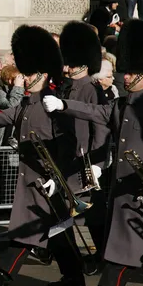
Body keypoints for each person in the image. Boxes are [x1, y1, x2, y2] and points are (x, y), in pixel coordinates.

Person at [0, 24, 84, 286]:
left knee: (29, 231)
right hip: (31, 178)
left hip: (46, 180)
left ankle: (2, 275)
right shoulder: (28, 103)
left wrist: (57, 178)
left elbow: (67, 146)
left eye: (29, 74)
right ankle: (74, 277)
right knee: (57, 231)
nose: (24, 78)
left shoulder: (53, 104)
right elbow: (3, 117)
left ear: (43, 74)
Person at [42, 19, 143, 286]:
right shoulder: (123, 104)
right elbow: (96, 112)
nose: (124, 79)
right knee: (124, 248)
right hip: (126, 189)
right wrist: (64, 106)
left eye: (131, 74)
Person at [58, 21, 111, 263]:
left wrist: (97, 163)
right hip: (70, 157)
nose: (66, 66)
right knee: (72, 211)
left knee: (94, 213)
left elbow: (99, 125)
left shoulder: (91, 88)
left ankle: (104, 255)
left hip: (86, 159)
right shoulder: (69, 88)